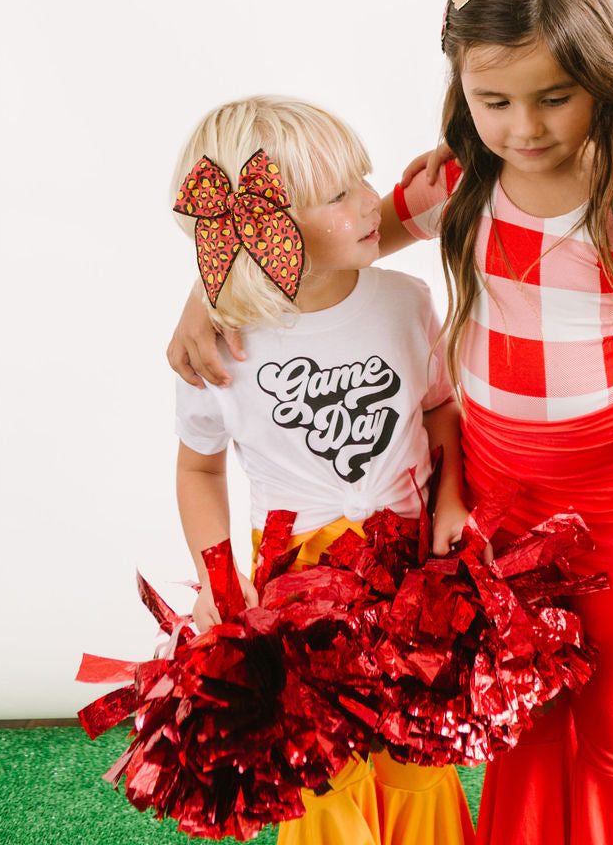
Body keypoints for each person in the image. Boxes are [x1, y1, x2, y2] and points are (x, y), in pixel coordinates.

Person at [169, 0, 613, 845]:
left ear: (601, 81)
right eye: (493, 102)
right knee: (518, 714)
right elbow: (311, 250)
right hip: (499, 498)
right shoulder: (458, 186)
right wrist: (204, 291)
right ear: (461, 89)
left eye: (553, 98)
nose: (523, 127)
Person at [171, 95, 476, 845]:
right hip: (297, 588)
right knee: (319, 771)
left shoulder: (406, 301)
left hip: (410, 571)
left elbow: (440, 410)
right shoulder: (221, 348)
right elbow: (199, 470)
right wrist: (220, 583)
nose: (376, 201)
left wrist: (451, 499)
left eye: (362, 179)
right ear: (270, 233)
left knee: (418, 756)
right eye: (341, 194)